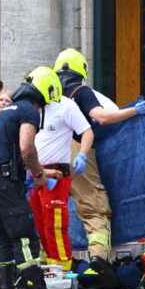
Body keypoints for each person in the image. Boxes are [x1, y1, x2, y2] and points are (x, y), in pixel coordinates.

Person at [0, 67, 69, 289]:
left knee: (3, 238)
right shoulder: (29, 109)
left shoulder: (9, 110)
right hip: (4, 181)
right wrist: (39, 175)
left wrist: (41, 171)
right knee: (26, 235)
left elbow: (12, 152)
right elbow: (26, 148)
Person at [54, 48, 145, 287]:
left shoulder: (50, 92)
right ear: (81, 70)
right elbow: (101, 117)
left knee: (52, 210)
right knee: (94, 207)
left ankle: (54, 265)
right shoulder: (81, 91)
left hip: (47, 154)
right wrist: (133, 111)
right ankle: (98, 260)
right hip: (76, 150)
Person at [32, 89, 94, 269]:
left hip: (57, 173)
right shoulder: (32, 107)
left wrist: (82, 154)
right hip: (34, 172)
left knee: (55, 223)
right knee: (39, 223)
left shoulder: (66, 106)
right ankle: (47, 265)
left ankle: (62, 266)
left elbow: (87, 132)